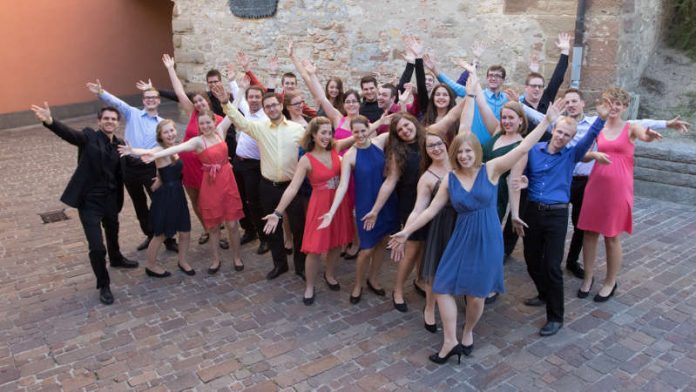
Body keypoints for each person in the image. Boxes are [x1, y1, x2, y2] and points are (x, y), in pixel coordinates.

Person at [389, 98, 566, 363]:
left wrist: (547, 122)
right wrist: (406, 231)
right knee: (441, 285)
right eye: (460, 152)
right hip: (461, 237)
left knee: (476, 296)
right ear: (454, 154)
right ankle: (450, 341)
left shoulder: (491, 170)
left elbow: (523, 147)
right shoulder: (449, 180)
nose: (464, 156)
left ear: (476, 152)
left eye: (468, 151)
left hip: (487, 238)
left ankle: (468, 331)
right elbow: (429, 211)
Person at [562, 88, 689, 280]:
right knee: (589, 233)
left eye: (618, 104)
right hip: (595, 185)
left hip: (617, 189)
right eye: (610, 102)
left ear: (625, 107)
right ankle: (587, 279)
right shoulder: (598, 128)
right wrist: (593, 155)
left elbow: (644, 133)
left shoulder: (630, 127)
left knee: (611, 236)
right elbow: (583, 156)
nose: (613, 107)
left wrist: (650, 135)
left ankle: (610, 282)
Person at [513, 98, 610, 337]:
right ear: (553, 130)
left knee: (552, 265)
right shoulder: (534, 150)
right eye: (559, 132)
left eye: (567, 135)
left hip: (556, 214)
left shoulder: (571, 155)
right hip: (533, 211)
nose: (561, 137)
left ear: (570, 138)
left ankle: (556, 316)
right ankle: (543, 293)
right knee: (531, 258)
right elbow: (522, 176)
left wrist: (601, 118)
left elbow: (589, 139)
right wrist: (524, 182)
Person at [30, 103, 138, 305]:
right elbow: (70, 135)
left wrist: (158, 160)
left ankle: (116, 257)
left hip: (111, 199)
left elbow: (131, 164)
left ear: (117, 123)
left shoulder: (120, 144)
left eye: (113, 119)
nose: (110, 122)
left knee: (113, 229)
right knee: (97, 247)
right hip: (89, 201)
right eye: (106, 118)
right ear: (99, 121)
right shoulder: (89, 137)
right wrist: (50, 121)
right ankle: (103, 284)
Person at [215, 85, 308, 281]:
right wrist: (225, 103)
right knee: (271, 228)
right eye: (268, 107)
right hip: (268, 187)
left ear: (281, 105)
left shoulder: (298, 129)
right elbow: (239, 121)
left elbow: (314, 150)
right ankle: (279, 264)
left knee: (299, 228)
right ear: (264, 110)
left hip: (292, 187)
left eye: (274, 105)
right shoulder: (259, 128)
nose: (272, 109)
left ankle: (300, 266)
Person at [262, 117, 355, 305]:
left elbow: (360, 135)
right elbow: (292, 188)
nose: (327, 136)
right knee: (314, 249)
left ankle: (329, 274)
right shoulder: (306, 159)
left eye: (330, 132)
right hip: (320, 205)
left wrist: (385, 119)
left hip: (339, 203)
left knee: (336, 243)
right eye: (323, 133)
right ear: (313, 134)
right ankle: (310, 286)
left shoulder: (335, 148)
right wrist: (278, 212)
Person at [140, 111, 245, 274]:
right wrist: (153, 155)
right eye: (201, 124)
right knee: (214, 226)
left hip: (227, 181)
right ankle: (216, 259)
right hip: (210, 185)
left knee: (232, 224)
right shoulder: (197, 141)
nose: (205, 126)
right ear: (198, 126)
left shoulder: (220, 132)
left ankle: (237, 257)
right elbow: (177, 148)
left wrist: (241, 89)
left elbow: (231, 112)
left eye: (208, 122)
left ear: (214, 122)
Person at [87, 79, 178, 253]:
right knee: (139, 204)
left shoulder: (162, 123)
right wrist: (100, 92)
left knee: (159, 202)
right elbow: (116, 102)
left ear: (158, 101)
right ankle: (150, 235)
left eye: (154, 98)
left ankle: (168, 238)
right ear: (143, 100)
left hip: (151, 165)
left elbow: (168, 144)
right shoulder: (132, 113)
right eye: (147, 98)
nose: (150, 100)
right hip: (129, 165)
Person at [319, 116, 399, 304]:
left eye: (363, 130)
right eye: (356, 132)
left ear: (368, 129)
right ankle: (358, 284)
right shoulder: (350, 156)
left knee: (381, 242)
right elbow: (343, 185)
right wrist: (331, 211)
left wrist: (399, 108)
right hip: (366, 206)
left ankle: (374, 278)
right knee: (366, 249)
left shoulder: (380, 141)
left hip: (386, 202)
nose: (360, 135)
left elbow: (402, 130)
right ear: (352, 133)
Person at [159, 54, 229, 250]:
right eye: (196, 102)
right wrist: (171, 69)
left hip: (207, 167)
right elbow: (179, 92)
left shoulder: (217, 120)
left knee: (213, 201)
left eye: (201, 101)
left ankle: (218, 231)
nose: (198, 104)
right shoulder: (193, 114)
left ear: (208, 101)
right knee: (196, 201)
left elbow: (222, 145)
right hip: (188, 165)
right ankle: (208, 230)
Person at [118, 120, 194, 277]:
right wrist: (132, 150)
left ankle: (182, 261)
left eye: (171, 130)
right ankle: (151, 266)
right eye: (166, 132)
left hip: (178, 194)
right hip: (166, 197)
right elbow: (148, 153)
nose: (170, 134)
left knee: (185, 231)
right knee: (161, 234)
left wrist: (159, 177)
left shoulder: (176, 148)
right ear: (160, 135)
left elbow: (167, 170)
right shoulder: (159, 149)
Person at [398, 131, 453, 333]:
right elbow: (418, 209)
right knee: (435, 271)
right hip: (440, 225)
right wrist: (406, 232)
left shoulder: (460, 162)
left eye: (439, 143)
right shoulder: (427, 177)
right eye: (431, 146)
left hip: (461, 222)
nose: (436, 148)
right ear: (426, 151)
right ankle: (430, 307)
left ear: (446, 143)